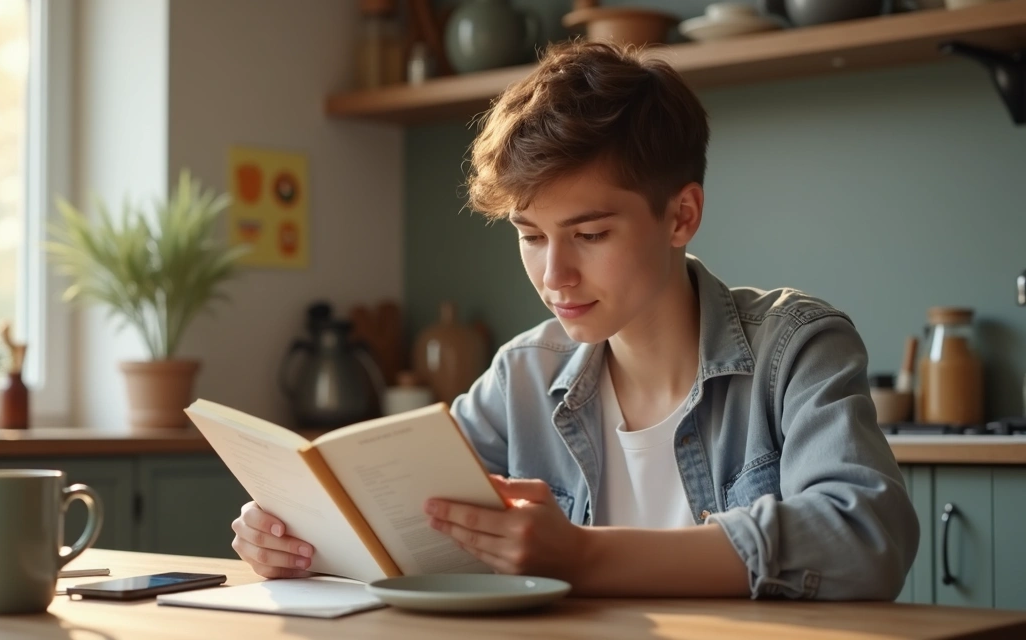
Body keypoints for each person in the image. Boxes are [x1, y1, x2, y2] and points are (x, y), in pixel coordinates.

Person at [231, 40, 919, 600]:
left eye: (589, 235)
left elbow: (866, 538)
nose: (553, 276)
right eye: (531, 235)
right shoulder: (523, 373)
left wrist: (587, 555)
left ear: (681, 216)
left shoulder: (796, 346)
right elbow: (405, 526)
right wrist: (303, 536)